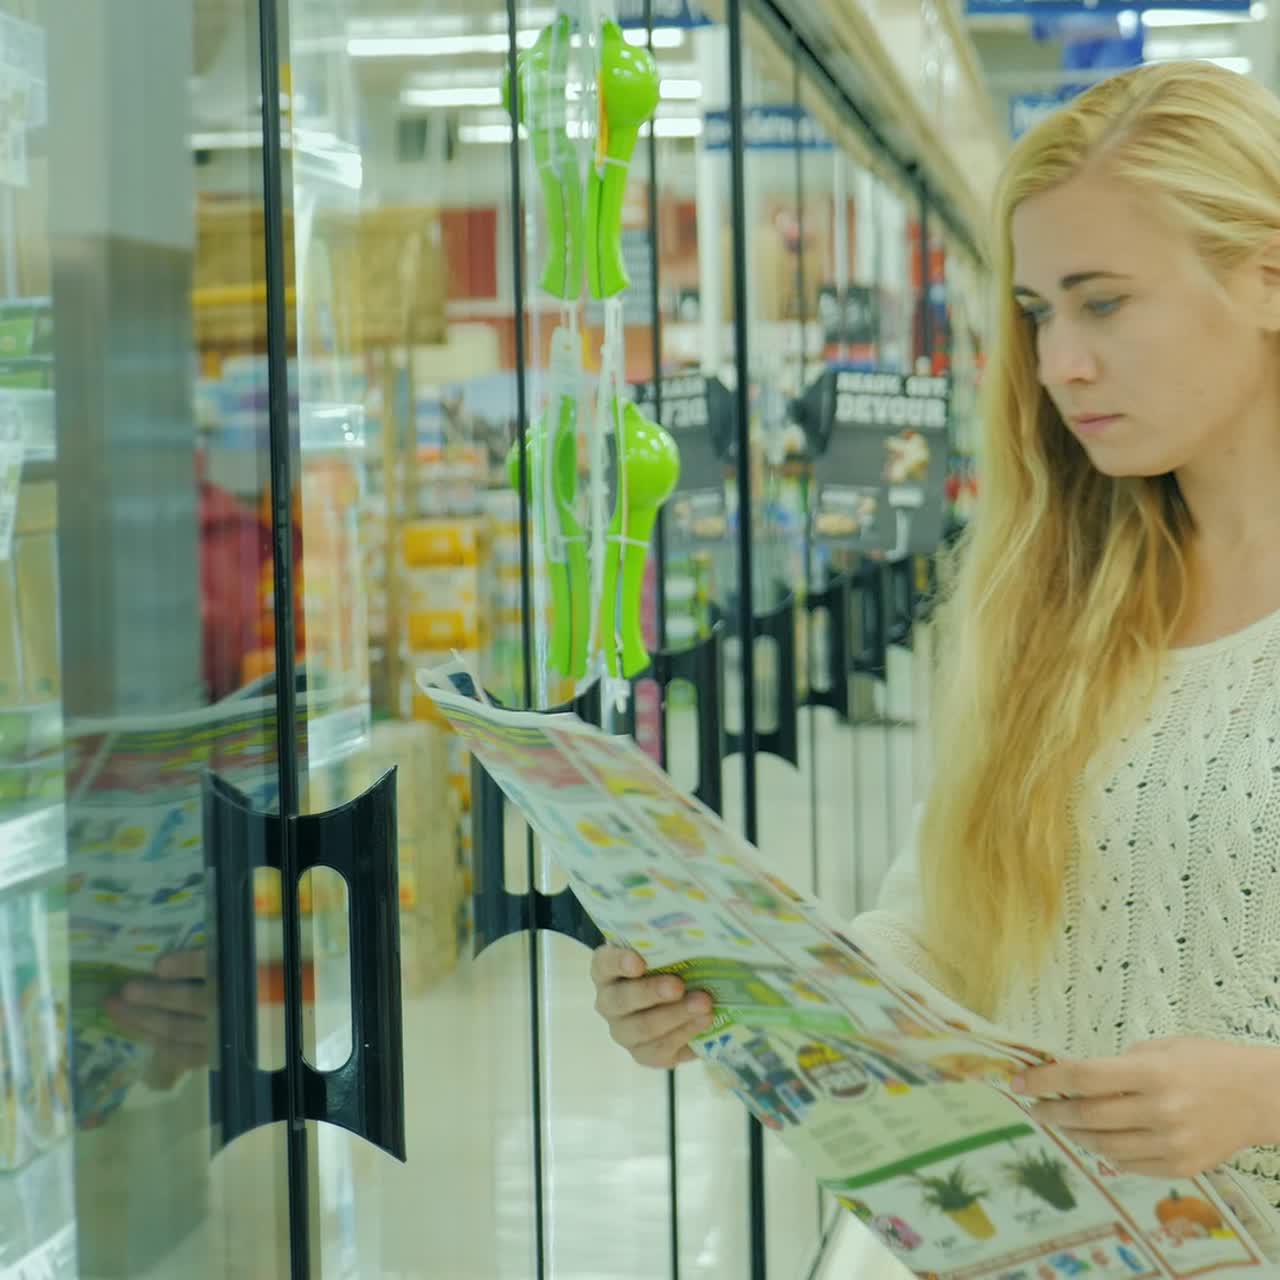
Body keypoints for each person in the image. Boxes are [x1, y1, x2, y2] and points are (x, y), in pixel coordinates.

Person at [591, 59, 1280, 1244]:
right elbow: (941, 941)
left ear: (1266, 275)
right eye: (1034, 313)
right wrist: (741, 992)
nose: (1058, 362)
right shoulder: (1054, 609)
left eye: (1101, 301)